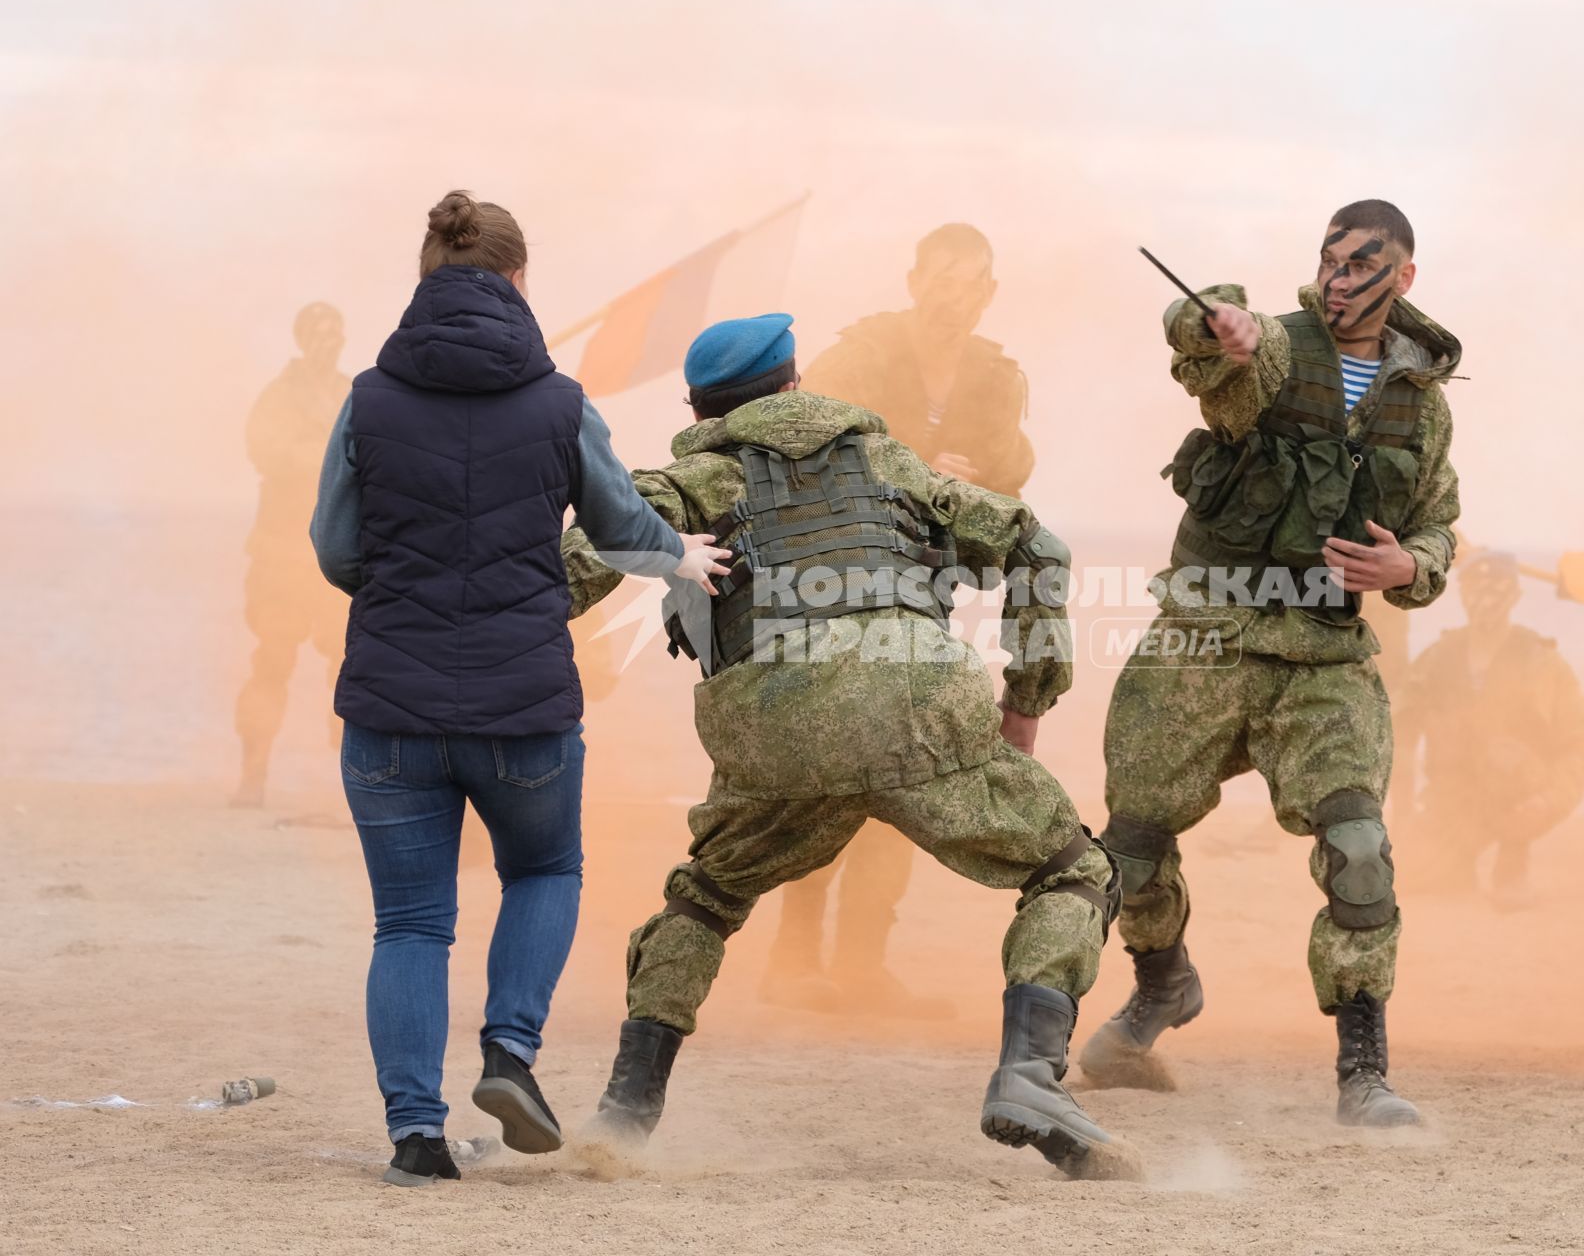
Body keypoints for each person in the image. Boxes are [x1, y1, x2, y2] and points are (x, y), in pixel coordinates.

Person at [560, 313, 1133, 1179]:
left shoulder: (691, 479)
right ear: (796, 384)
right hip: (916, 704)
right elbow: (1032, 544)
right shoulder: (889, 460)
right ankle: (1028, 1075)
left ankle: (625, 1113)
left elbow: (588, 552)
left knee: (705, 900)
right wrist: (1027, 698)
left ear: (701, 408)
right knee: (1074, 873)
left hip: (776, 726)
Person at [308, 190, 730, 1187]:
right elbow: (623, 527)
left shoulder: (367, 396)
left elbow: (334, 548)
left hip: (391, 710)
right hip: (523, 705)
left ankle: (417, 1136)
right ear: (519, 281)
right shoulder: (559, 399)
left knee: (410, 923)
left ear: (426, 277)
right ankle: (509, 1053)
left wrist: (408, 586)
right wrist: (683, 558)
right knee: (543, 873)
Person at [1083, 200, 1461, 1127]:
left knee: (1360, 850)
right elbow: (1206, 352)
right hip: (1205, 638)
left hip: (1322, 655)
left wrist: (1412, 566)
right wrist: (1229, 330)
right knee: (1127, 852)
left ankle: (1363, 1070)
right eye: (1329, 261)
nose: (1340, 279)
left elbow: (1439, 520)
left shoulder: (1422, 401)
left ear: (1402, 277)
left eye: (1362, 264)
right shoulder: (1280, 349)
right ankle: (1161, 984)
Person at [758, 224, 1034, 1018]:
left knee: (906, 771)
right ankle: (793, 954)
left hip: (925, 594)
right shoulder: (860, 356)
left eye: (972, 282)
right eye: (942, 279)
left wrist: (986, 476)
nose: (955, 296)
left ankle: (863, 962)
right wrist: (913, 463)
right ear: (915, 280)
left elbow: (1012, 467)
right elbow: (800, 445)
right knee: (829, 769)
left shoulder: (994, 375)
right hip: (833, 589)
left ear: (988, 292)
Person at [1399, 551, 1584, 905]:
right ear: (1461, 593)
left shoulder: (1540, 662)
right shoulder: (1437, 659)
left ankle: (1512, 866)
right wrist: (1398, 817)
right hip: (1452, 800)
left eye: (1496, 589)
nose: (1485, 599)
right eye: (1475, 588)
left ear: (1515, 597)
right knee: (1396, 881)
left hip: (1517, 798)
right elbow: (1396, 735)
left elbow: (1581, 741)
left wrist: (1550, 800)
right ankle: (1457, 864)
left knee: (1503, 756)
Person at [232, 302, 351, 806]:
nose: (327, 341)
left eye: (334, 333)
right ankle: (253, 774)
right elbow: (267, 450)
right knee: (272, 663)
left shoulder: (354, 395)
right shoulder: (278, 397)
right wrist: (322, 454)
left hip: (336, 560)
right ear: (303, 339)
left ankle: (355, 786)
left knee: (351, 668)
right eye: (318, 333)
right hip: (282, 558)